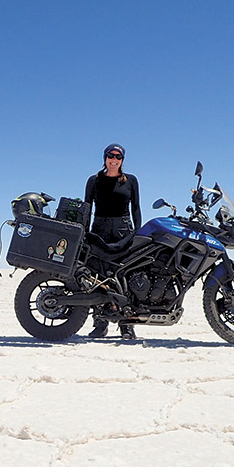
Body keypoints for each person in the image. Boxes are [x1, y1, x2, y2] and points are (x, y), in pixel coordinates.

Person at [83, 143, 141, 340]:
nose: (114, 159)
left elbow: (136, 208)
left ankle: (127, 325)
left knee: (125, 274)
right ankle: (100, 324)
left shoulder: (131, 181)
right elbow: (87, 208)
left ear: (122, 160)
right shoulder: (94, 180)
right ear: (105, 158)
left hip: (123, 231)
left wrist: (138, 232)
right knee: (97, 276)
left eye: (118, 157)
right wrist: (84, 231)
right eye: (110, 156)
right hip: (99, 230)